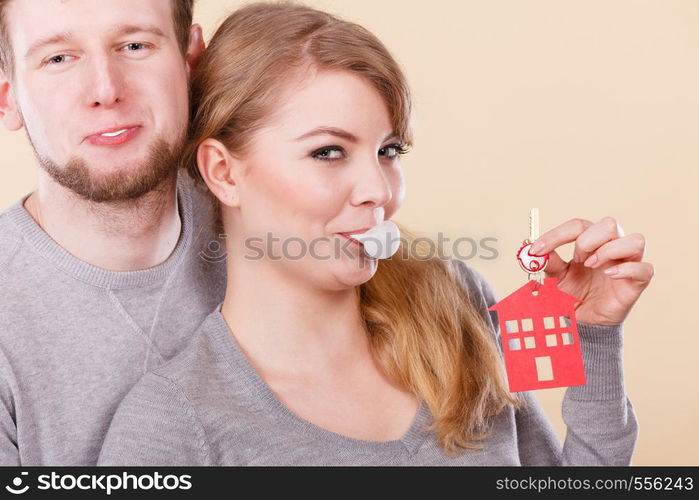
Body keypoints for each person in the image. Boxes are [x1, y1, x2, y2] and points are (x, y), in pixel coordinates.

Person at [98, 2, 653, 466]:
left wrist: (593, 336)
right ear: (224, 171)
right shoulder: (172, 424)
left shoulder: (454, 299)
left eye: (388, 151)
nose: (378, 191)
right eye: (328, 152)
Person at [0, 0, 229, 465]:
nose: (105, 90)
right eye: (58, 58)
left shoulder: (274, 228)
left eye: (135, 45)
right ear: (8, 97)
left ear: (190, 62)